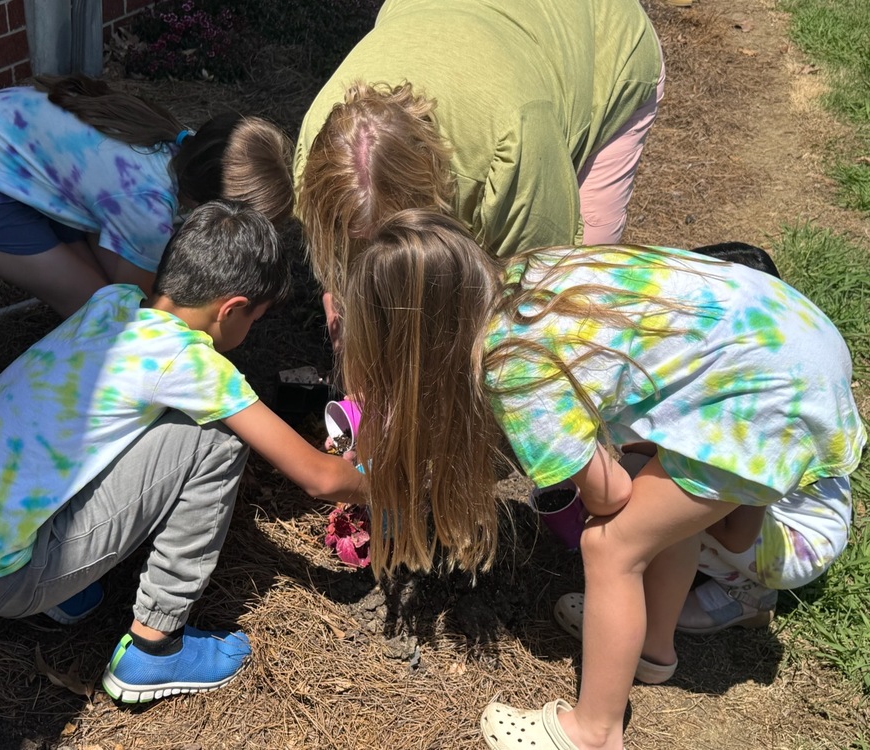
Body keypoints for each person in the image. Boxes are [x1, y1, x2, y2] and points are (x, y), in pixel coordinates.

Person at [333, 209, 865, 749]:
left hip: (769, 401)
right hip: (790, 333)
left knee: (611, 545)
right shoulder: (525, 274)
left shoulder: (511, 367)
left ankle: (594, 731)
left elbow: (611, 495)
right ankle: (652, 650)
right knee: (657, 516)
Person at [0, 200, 365, 704]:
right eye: (256, 320)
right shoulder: (189, 362)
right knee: (216, 437)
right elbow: (319, 478)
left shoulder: (113, 304)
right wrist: (384, 487)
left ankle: (67, 593)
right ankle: (152, 652)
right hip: (4, 578)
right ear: (231, 309)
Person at [293, 0, 665, 343]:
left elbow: (538, 279)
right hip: (467, 29)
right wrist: (344, 305)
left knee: (570, 299)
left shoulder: (514, 143)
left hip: (601, 39)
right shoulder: (313, 150)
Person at [552, 241, 850, 638]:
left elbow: (738, 531)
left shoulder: (751, 421)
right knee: (652, 476)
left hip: (797, 545)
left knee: (658, 505)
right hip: (809, 518)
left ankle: (745, 592)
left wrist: (660, 511)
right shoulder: (778, 370)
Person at [0, 75, 294, 318]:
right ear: (214, 209)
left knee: (109, 285)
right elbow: (150, 311)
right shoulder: (144, 207)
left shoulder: (175, 140)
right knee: (102, 310)